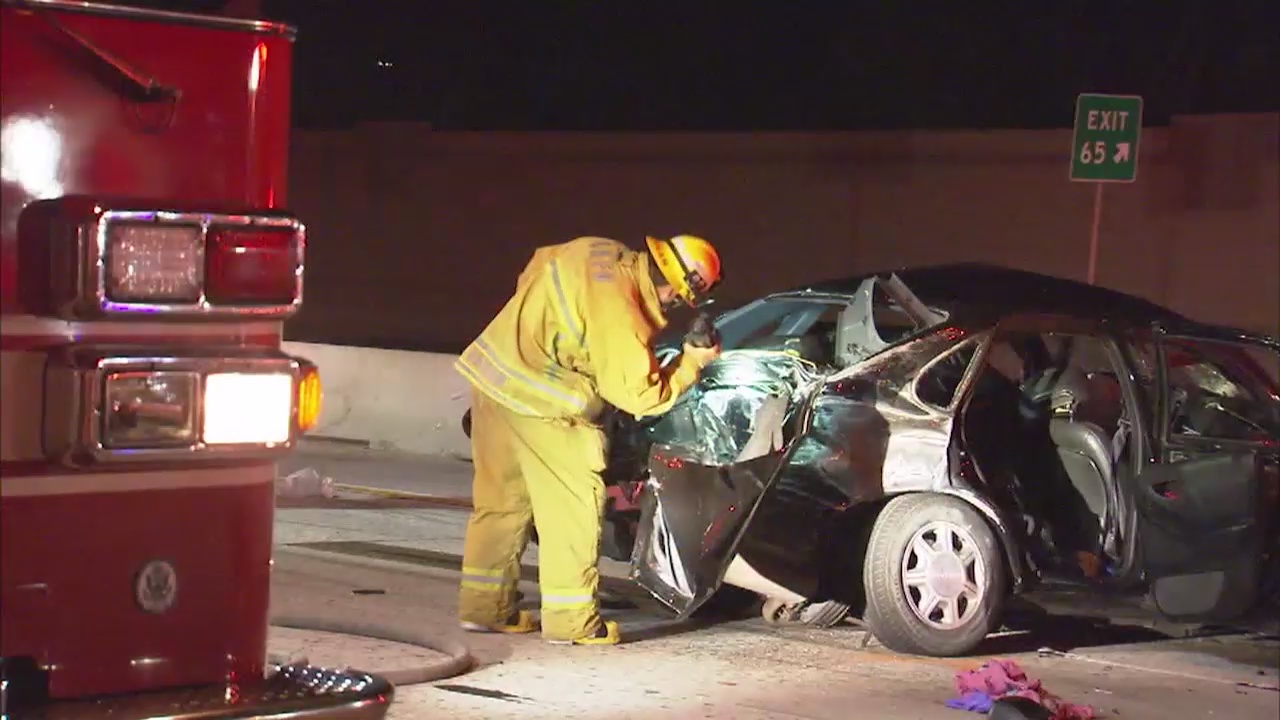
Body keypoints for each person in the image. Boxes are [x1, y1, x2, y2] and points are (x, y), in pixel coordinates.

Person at [453, 234, 724, 646]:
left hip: (495, 381)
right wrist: (691, 364)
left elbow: (533, 271)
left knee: (500, 506)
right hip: (547, 406)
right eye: (678, 298)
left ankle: (483, 609)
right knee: (570, 514)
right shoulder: (623, 313)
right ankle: (571, 622)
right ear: (671, 287)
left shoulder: (595, 250)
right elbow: (640, 397)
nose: (672, 305)